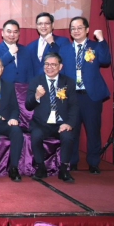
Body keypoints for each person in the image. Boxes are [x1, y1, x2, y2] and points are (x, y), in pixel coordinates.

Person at [59, 17, 110, 174]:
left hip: (91, 96)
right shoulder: (64, 49)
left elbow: (105, 60)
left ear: (87, 30)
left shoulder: (95, 46)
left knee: (93, 130)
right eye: (73, 28)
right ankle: (72, 161)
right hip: (72, 96)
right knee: (72, 130)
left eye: (79, 28)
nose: (76, 31)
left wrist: (101, 40)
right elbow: (61, 73)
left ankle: (93, 162)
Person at [26, 52, 77, 183]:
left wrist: (69, 123)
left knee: (68, 136)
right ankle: (41, 167)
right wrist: (36, 96)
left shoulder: (69, 82)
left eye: (53, 65)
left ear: (60, 66)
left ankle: (64, 169)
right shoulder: (36, 81)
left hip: (61, 123)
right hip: (41, 123)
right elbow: (28, 106)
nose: (49, 67)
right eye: (47, 64)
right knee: (36, 135)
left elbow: (74, 106)